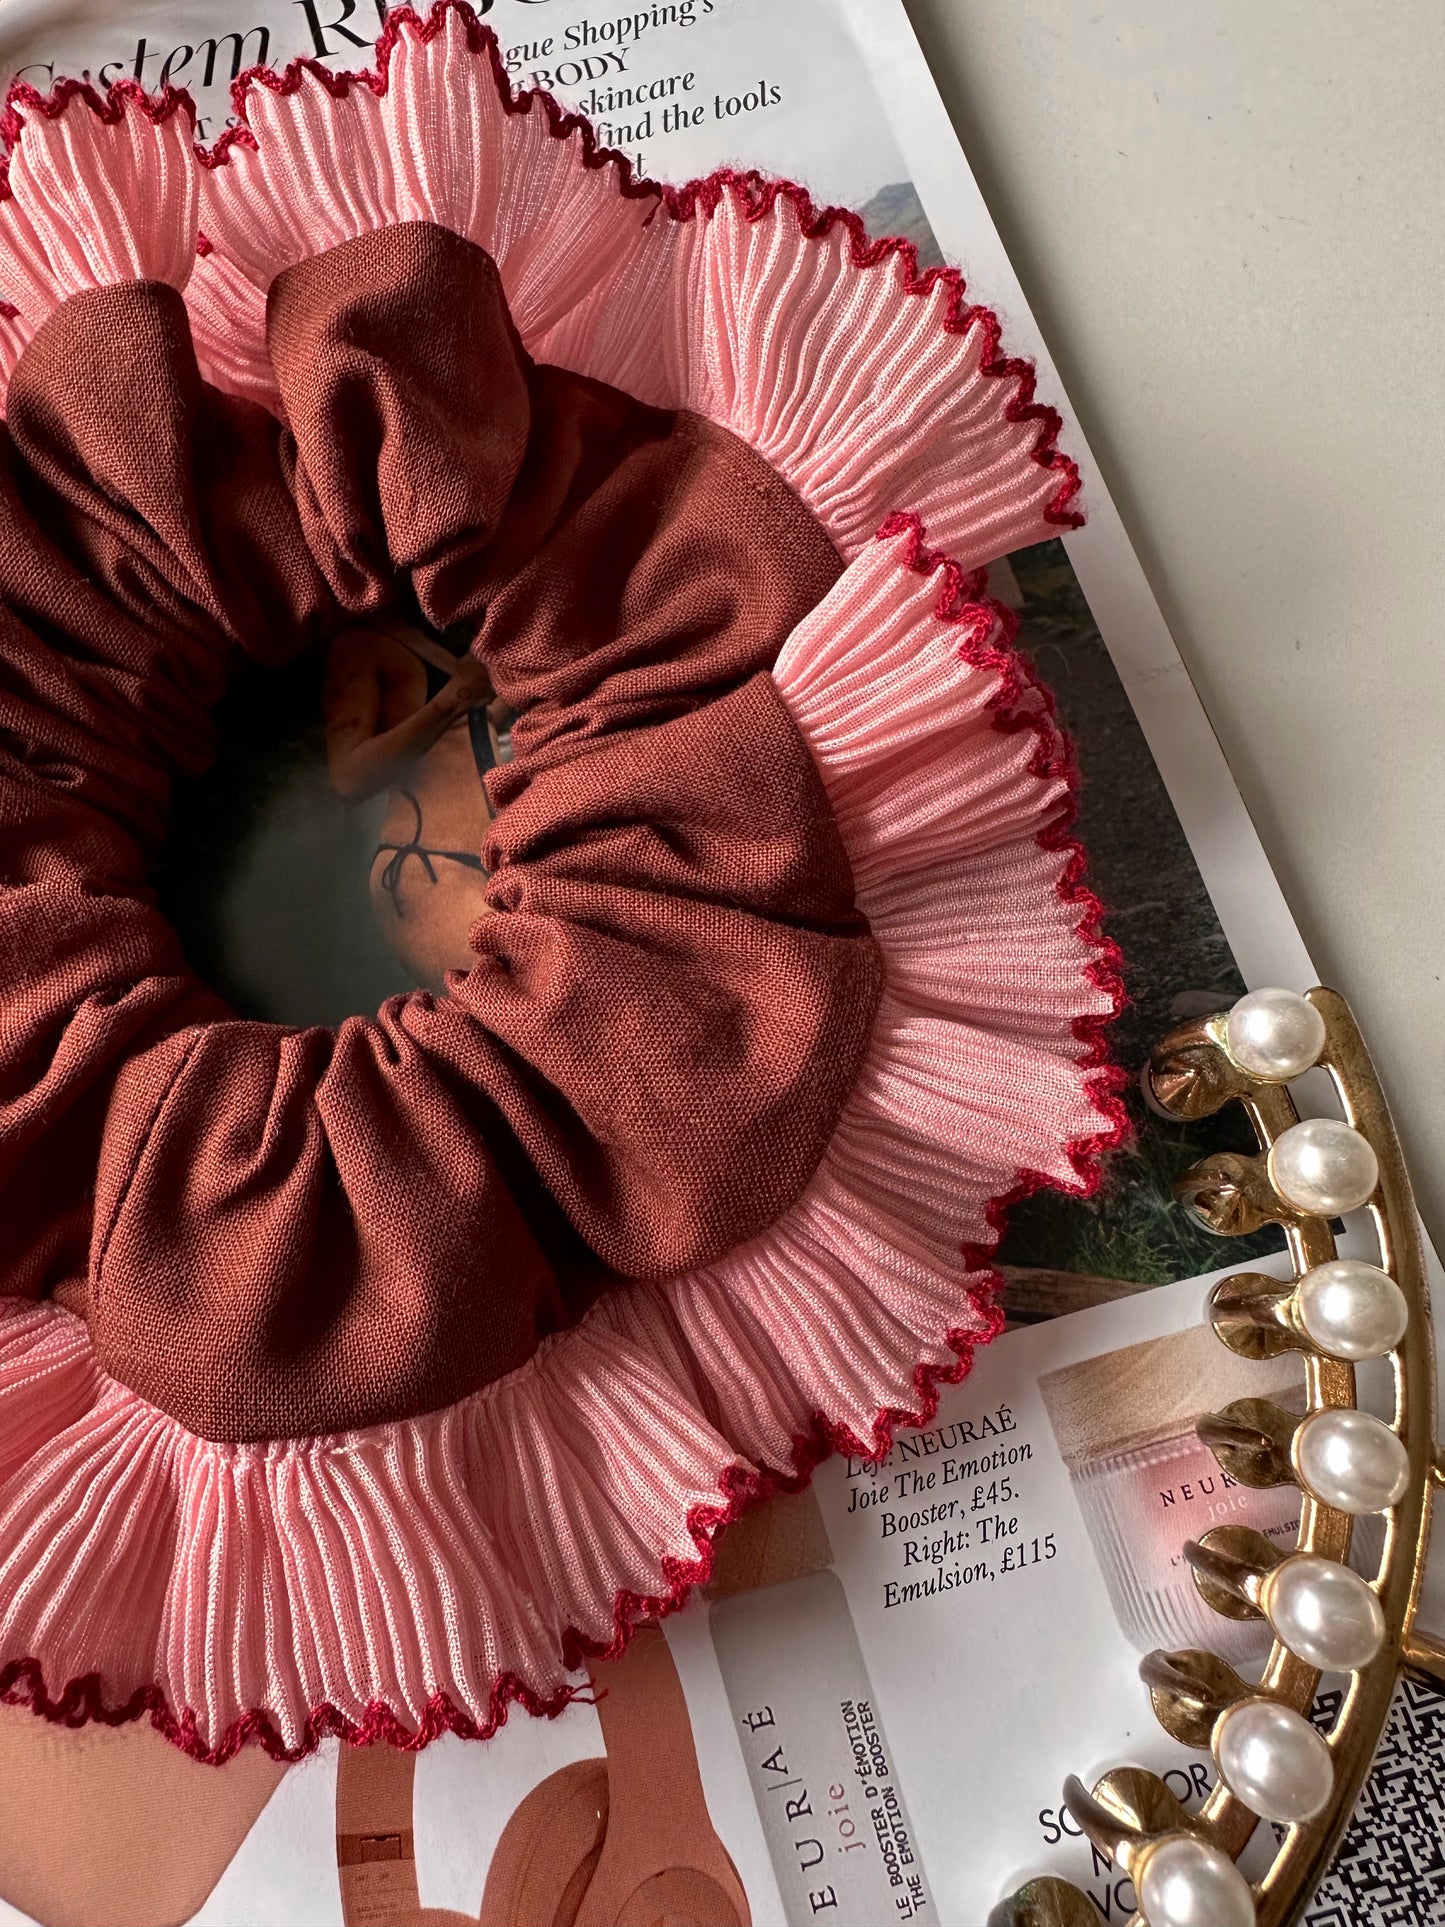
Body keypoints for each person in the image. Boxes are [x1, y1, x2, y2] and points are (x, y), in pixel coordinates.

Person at [323, 615, 506, 988]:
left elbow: (469, 734)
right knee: (513, 998)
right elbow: (348, 778)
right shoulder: (362, 644)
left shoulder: (457, 644)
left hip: (494, 861)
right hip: (426, 867)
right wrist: (455, 697)